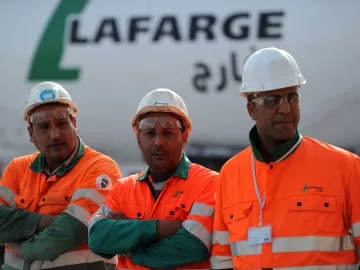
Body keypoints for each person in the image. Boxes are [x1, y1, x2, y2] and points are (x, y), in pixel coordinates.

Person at [211, 47, 360, 269]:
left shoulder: (346, 167)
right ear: (251, 110)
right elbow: (222, 258)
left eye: (292, 97)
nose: (286, 109)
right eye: (272, 100)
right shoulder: (230, 174)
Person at [88, 88, 218, 269]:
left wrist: (132, 248)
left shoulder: (209, 183)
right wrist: (162, 228)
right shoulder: (123, 189)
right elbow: (97, 238)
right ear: (139, 139)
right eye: (150, 133)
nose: (158, 142)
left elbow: (193, 245)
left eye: (168, 132)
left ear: (184, 137)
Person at [0, 82, 122, 270]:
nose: (55, 134)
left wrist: (24, 249)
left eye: (62, 124)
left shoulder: (100, 168)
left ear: (74, 124)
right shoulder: (18, 168)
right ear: (31, 134)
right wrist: (41, 222)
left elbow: (70, 232)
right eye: (44, 127)